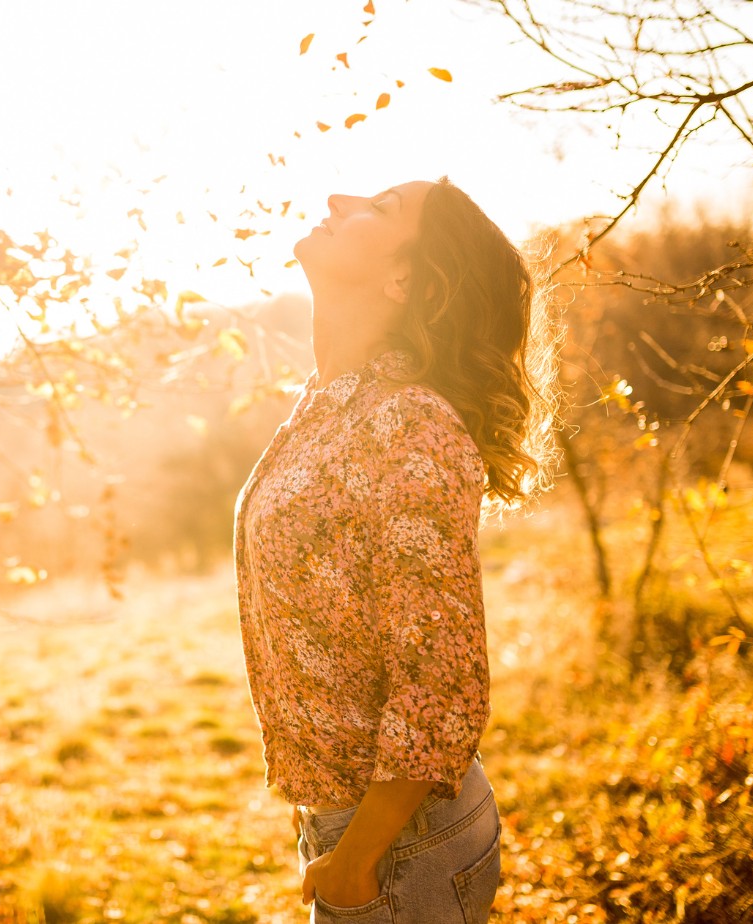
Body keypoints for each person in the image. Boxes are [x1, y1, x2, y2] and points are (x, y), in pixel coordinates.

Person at [232, 177, 558, 923]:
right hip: (360, 828)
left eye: (378, 208)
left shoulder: (412, 424)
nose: (338, 200)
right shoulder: (329, 403)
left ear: (405, 279)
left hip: (398, 846)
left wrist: (358, 858)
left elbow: (442, 683)